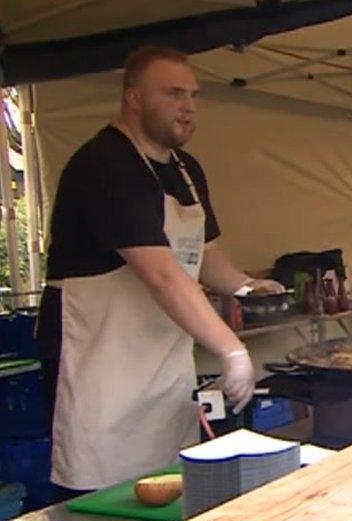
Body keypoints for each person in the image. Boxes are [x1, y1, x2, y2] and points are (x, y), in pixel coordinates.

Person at [36, 46, 284, 495]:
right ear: (134, 98)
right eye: (173, 94)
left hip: (161, 366)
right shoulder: (105, 164)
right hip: (99, 364)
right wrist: (230, 350)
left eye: (192, 95)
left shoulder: (187, 170)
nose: (188, 107)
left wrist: (247, 286)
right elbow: (162, 274)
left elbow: (203, 254)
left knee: (166, 490)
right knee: (101, 497)